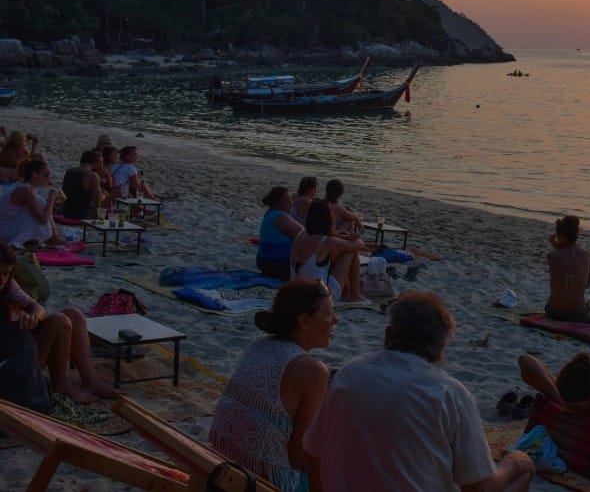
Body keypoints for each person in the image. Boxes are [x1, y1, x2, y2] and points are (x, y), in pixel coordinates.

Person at [304, 291, 535, 491]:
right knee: (523, 471)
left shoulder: (349, 373)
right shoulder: (450, 393)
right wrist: (514, 462)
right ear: (440, 349)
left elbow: (314, 453)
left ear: (387, 335)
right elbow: (479, 488)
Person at [209, 280, 334, 491]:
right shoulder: (313, 371)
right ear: (304, 321)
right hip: (263, 481)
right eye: (329, 314)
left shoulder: (259, 344)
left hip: (221, 463)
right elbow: (298, 458)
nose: (335, 321)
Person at [0, 240, 119, 403]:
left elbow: (37, 307)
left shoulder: (7, 285)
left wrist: (33, 316)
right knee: (59, 322)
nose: (2, 279)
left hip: (15, 354)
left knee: (74, 315)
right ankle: (60, 386)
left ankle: (91, 381)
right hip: (9, 369)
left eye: (6, 274)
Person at [290, 200, 367, 303]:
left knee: (334, 256)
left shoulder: (301, 234)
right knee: (351, 251)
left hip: (300, 291)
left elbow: (324, 239)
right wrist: (356, 237)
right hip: (321, 296)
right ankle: (355, 294)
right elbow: (359, 245)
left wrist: (339, 235)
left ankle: (349, 292)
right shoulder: (326, 241)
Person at [544, 215, 590, 322]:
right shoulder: (587, 256)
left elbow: (563, 257)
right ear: (576, 233)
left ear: (560, 236)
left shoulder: (552, 255)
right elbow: (586, 285)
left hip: (552, 312)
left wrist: (556, 245)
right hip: (577, 315)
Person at [0, 159, 64, 247]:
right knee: (42, 203)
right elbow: (43, 220)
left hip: (6, 227)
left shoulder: (21, 185)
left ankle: (53, 238)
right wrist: (51, 198)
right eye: (46, 175)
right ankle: (52, 239)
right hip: (6, 233)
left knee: (40, 202)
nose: (49, 179)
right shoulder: (25, 191)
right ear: (35, 174)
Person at [257, 186, 305, 280]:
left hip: (265, 262)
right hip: (277, 264)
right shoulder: (281, 217)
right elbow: (304, 235)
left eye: (291, 199)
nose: (292, 203)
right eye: (288, 201)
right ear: (279, 203)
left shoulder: (270, 213)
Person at [61, 150, 104, 220]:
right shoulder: (93, 175)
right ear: (95, 162)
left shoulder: (69, 171)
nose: (101, 165)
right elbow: (98, 199)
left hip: (66, 213)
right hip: (83, 216)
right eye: (100, 162)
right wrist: (104, 195)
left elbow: (64, 191)